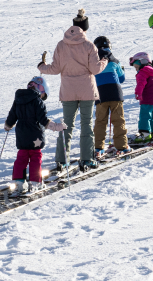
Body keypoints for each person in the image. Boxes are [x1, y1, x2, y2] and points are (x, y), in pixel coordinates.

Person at [38, 25, 107, 172]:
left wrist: (42, 67)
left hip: (68, 91)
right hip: (86, 90)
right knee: (86, 124)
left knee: (66, 124)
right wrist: (104, 61)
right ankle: (87, 159)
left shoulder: (61, 45)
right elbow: (95, 70)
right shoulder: (89, 45)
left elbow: (55, 69)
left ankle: (62, 160)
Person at [4, 76, 66, 195]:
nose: (42, 98)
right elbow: (43, 120)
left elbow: (12, 116)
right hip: (35, 135)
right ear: (40, 89)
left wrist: (8, 125)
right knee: (35, 158)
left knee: (21, 157)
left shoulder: (18, 99)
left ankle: (19, 183)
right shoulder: (37, 101)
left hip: (21, 135)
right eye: (43, 95)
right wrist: (57, 127)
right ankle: (35, 182)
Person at [92, 36, 130, 158]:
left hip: (100, 95)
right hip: (115, 93)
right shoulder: (114, 60)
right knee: (118, 120)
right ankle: (122, 146)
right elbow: (122, 78)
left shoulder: (93, 61)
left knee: (100, 121)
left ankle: (98, 148)